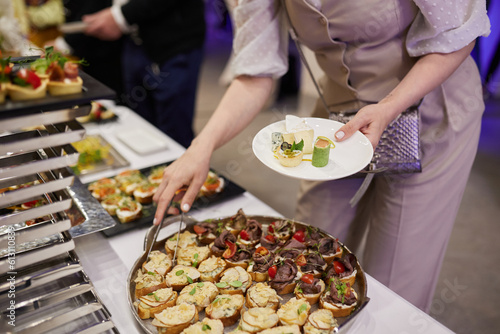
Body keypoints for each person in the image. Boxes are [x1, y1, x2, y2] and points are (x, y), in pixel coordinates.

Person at [152, 0, 490, 313]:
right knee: (305, 251)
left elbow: (458, 34)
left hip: (430, 112)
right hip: (337, 123)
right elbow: (256, 71)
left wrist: (388, 107)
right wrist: (201, 147)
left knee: (395, 281)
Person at [82, 0, 206, 148]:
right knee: (140, 127)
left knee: (174, 132)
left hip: (172, 43)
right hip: (133, 40)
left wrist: (120, 15)